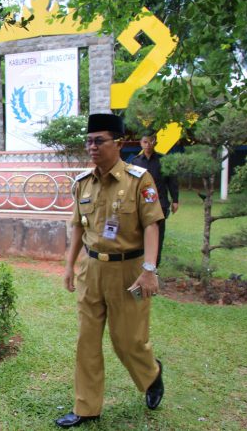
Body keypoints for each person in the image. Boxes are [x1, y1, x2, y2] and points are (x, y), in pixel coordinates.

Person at [56, 114, 165, 428]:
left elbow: (151, 226)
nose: (92, 147)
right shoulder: (83, 183)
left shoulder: (138, 179)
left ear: (117, 143)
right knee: (86, 341)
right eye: (88, 141)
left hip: (128, 270)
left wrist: (149, 269)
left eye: (99, 140)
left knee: (127, 340)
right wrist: (68, 265)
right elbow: (78, 227)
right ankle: (86, 407)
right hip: (91, 270)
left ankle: (151, 374)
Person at [131, 136, 179, 267]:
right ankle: (140, 263)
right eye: (145, 142)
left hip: (160, 204)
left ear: (155, 142)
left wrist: (175, 200)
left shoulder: (163, 160)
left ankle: (154, 266)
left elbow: (172, 181)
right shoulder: (135, 162)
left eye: (151, 141)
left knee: (158, 235)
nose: (148, 144)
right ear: (141, 143)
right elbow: (131, 183)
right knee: (139, 234)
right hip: (140, 204)